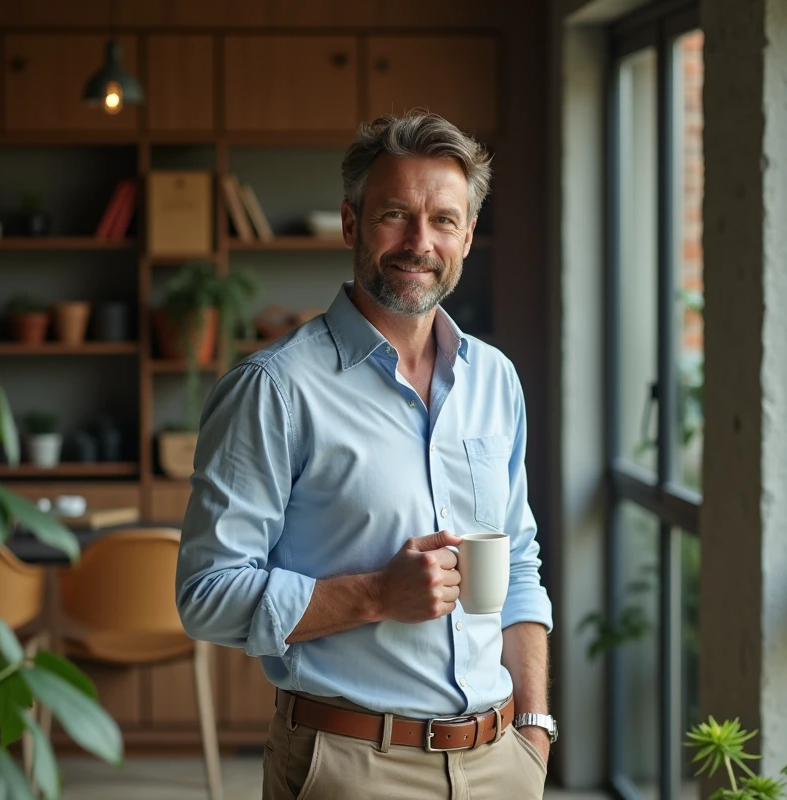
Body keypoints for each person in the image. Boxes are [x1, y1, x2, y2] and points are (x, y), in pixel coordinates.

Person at [175, 110, 555, 799]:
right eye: (395, 216)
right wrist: (377, 594)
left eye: (444, 220)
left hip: (502, 763)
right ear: (351, 224)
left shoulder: (495, 379)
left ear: (467, 236)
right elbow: (206, 595)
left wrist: (533, 729)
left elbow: (519, 562)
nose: (420, 241)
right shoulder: (274, 389)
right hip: (351, 765)